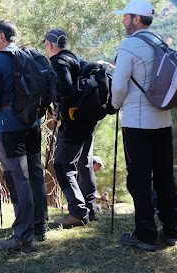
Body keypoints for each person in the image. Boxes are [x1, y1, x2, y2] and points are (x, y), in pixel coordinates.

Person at [112, 0, 177, 251]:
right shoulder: (160, 43)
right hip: (164, 120)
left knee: (139, 180)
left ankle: (145, 234)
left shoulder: (130, 45)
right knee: (165, 177)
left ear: (137, 19)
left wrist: (114, 104)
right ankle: (172, 230)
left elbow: (119, 86)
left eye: (126, 16)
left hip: (137, 123)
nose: (123, 21)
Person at [0, 20, 48, 252]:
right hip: (33, 122)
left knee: (17, 177)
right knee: (35, 174)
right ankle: (39, 227)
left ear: (2, 37)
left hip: (9, 126)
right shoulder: (29, 55)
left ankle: (22, 236)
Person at [44, 29, 99, 227]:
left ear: (49, 45)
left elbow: (67, 91)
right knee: (84, 162)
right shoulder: (73, 58)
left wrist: (62, 112)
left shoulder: (58, 61)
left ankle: (77, 212)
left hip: (74, 121)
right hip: (88, 119)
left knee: (62, 165)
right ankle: (91, 208)